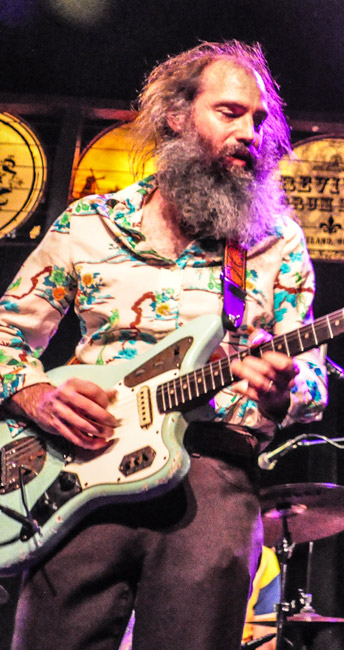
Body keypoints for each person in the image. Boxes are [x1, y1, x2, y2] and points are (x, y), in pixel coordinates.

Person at [0, 41, 327, 650]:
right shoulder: (90, 224)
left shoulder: (275, 243)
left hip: (211, 483)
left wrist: (284, 390)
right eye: (230, 113)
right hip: (78, 481)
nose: (250, 133)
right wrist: (36, 395)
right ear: (176, 115)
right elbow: (7, 337)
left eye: (259, 120)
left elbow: (310, 380)